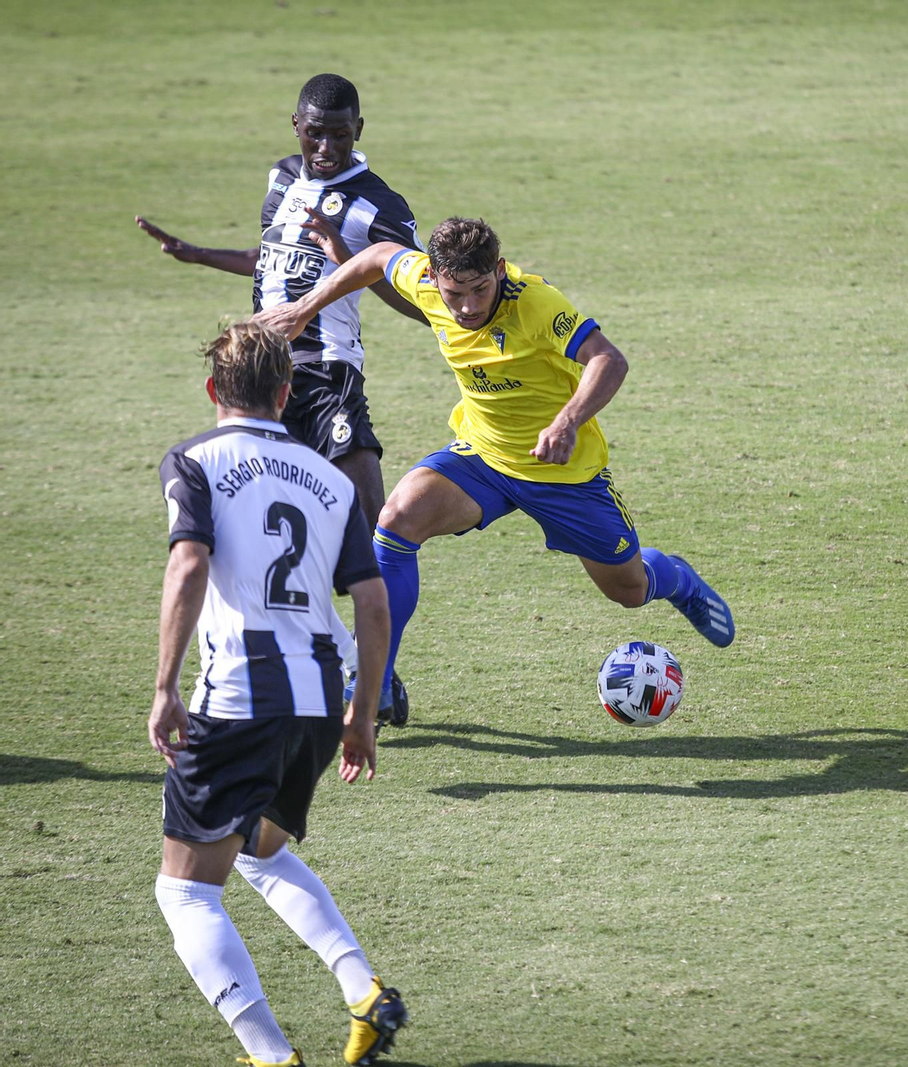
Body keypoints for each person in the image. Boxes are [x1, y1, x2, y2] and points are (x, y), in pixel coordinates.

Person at [253, 217, 735, 714]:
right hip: (482, 458)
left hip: (562, 475)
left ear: (499, 272)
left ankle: (677, 580)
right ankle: (374, 685)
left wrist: (568, 421)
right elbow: (378, 258)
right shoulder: (424, 283)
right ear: (436, 278)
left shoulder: (536, 303)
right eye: (454, 292)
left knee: (629, 591)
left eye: (480, 290)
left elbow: (608, 360)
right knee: (396, 522)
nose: (467, 306)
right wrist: (305, 308)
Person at [149, 323, 408, 1066]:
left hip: (238, 698)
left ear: (212, 390)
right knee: (259, 852)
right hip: (320, 701)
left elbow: (189, 566)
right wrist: (361, 716)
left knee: (188, 893)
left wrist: (165, 688)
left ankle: (270, 1056)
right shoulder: (330, 478)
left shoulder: (193, 461)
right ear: (287, 394)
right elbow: (372, 599)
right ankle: (365, 991)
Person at [137, 72, 421, 724]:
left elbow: (422, 302)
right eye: (315, 132)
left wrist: (347, 254)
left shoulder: (378, 203)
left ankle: (379, 672)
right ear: (296, 126)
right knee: (268, 527)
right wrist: (198, 255)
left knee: (372, 522)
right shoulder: (280, 178)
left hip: (329, 375)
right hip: (262, 379)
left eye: (339, 134)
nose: (326, 145)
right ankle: (336, 662)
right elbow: (270, 259)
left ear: (359, 131)